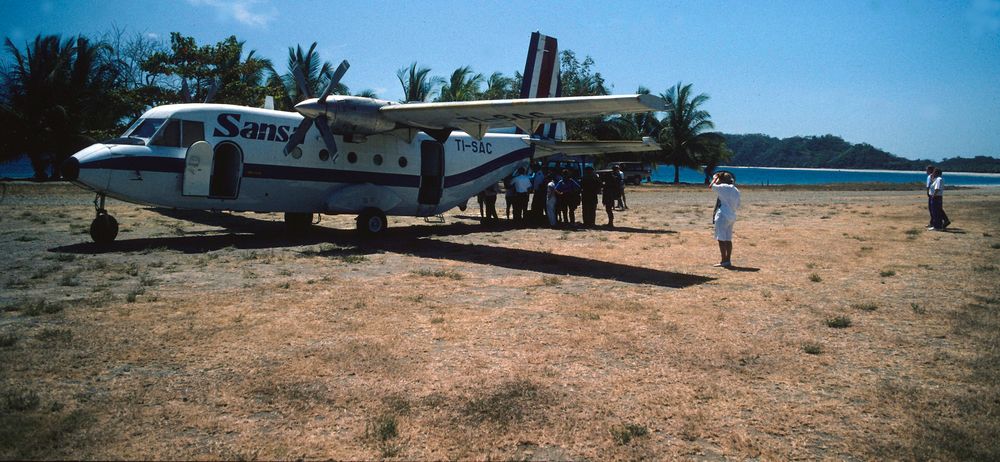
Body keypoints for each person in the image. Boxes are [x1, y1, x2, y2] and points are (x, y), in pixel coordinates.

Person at [710, 171, 741, 267]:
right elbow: (738, 205)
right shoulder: (736, 190)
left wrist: (715, 177)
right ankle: (728, 259)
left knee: (721, 238)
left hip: (722, 215)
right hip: (731, 215)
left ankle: (723, 260)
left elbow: (711, 185)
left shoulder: (724, 187)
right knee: (728, 239)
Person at [926, 165, 950, 229]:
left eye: (934, 172)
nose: (932, 173)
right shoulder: (936, 179)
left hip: (936, 197)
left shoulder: (938, 179)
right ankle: (936, 224)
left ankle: (937, 226)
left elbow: (937, 188)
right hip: (935, 196)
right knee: (935, 211)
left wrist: (933, 195)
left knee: (936, 211)